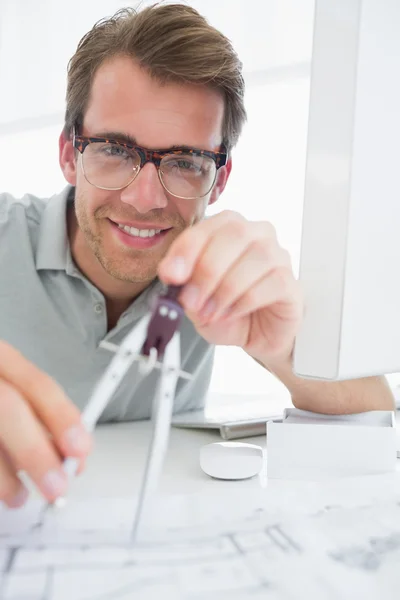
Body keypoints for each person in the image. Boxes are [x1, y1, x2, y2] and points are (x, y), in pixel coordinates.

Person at [0, 3, 394, 510]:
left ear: (219, 179)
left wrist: (286, 344)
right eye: (115, 150)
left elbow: (378, 427)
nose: (145, 198)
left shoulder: (220, 272)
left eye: (186, 162)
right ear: (68, 154)